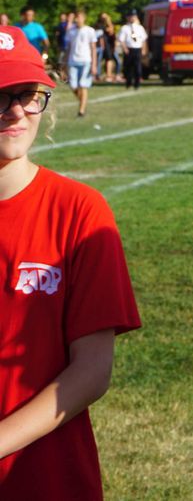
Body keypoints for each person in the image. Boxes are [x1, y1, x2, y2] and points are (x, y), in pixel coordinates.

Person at [0, 26, 141, 499]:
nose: (17, 111)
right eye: (0, 97)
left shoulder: (80, 211)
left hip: (48, 479)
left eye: (28, 95)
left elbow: (91, 371)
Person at [65, 10, 97, 117]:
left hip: (86, 61)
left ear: (84, 18)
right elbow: (69, 47)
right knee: (73, 86)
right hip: (73, 61)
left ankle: (81, 111)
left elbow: (93, 48)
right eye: (76, 17)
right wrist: (65, 62)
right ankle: (83, 101)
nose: (76, 19)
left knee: (83, 85)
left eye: (78, 17)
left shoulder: (90, 30)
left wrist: (94, 64)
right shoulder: (71, 31)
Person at [117, 10, 147, 90]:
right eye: (131, 16)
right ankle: (128, 82)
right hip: (129, 49)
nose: (132, 18)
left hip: (137, 49)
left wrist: (144, 49)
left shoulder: (140, 28)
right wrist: (125, 48)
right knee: (128, 68)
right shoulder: (125, 28)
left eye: (134, 16)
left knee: (138, 67)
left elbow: (143, 39)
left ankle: (137, 84)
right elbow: (121, 40)